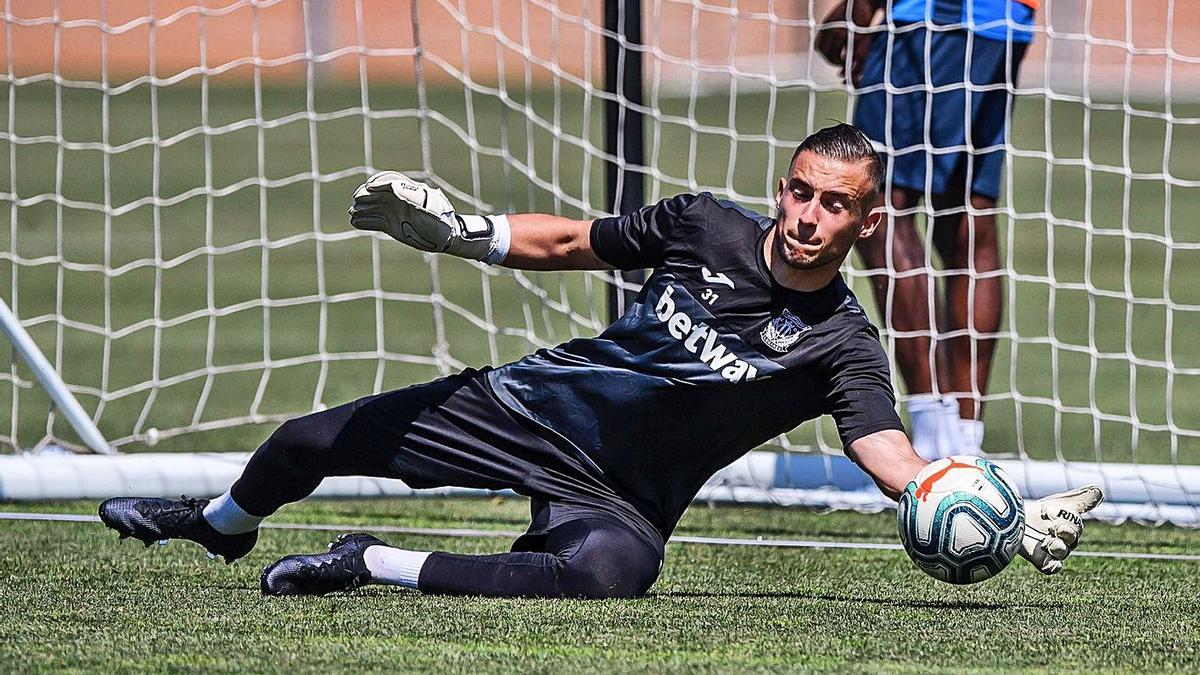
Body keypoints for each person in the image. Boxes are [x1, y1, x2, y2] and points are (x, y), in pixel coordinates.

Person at [98, 124, 1098, 599]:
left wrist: (980, 502)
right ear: (782, 187)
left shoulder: (843, 341)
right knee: (311, 439)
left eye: (835, 205)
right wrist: (467, 233)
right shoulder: (702, 224)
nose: (807, 216)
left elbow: (885, 452)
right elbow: (574, 241)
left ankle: (369, 563)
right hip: (527, 408)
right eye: (800, 192)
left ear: (867, 221)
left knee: (614, 577)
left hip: (621, 496)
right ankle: (223, 526)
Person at [816, 1, 1036, 459]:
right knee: (966, 214)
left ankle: (936, 434)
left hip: (934, 18)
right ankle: (964, 441)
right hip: (1005, 24)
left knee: (880, 210)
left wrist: (857, 13)